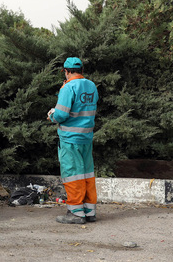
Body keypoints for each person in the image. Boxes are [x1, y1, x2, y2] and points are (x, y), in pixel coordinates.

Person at [47, 57, 98, 224]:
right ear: (82, 70)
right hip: (86, 137)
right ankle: (89, 211)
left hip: (70, 139)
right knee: (87, 174)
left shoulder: (68, 87)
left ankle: (75, 213)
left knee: (72, 175)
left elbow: (61, 115)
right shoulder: (91, 86)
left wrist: (52, 115)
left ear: (66, 71)